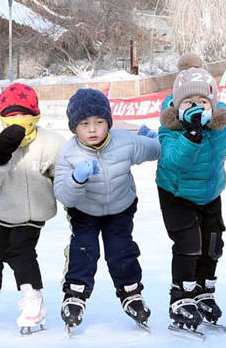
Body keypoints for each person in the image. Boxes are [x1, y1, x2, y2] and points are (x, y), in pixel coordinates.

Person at [54, 87, 160, 333]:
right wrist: (77, 178)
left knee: (121, 250)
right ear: (74, 128)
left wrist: (152, 137)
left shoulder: (126, 142)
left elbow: (156, 150)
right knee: (84, 249)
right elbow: (63, 194)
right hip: (84, 211)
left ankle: (131, 292)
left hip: (120, 209)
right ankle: (75, 294)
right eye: (84, 123)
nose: (92, 129)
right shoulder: (69, 154)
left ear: (108, 123)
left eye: (99, 122)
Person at [156, 53, 226, 333]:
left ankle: (204, 291)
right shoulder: (171, 128)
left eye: (203, 102)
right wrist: (191, 135)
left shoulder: (223, 120)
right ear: (177, 105)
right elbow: (172, 161)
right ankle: (181, 296)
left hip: (210, 192)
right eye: (188, 103)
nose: (196, 107)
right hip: (177, 193)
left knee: (213, 243)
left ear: (213, 103)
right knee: (189, 244)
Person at [0, 83, 64, 333]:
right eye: (11, 116)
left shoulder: (51, 142)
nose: (18, 121)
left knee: (20, 252)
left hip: (33, 213)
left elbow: (63, 175)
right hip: (1, 212)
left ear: (35, 115)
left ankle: (33, 301)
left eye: (24, 115)